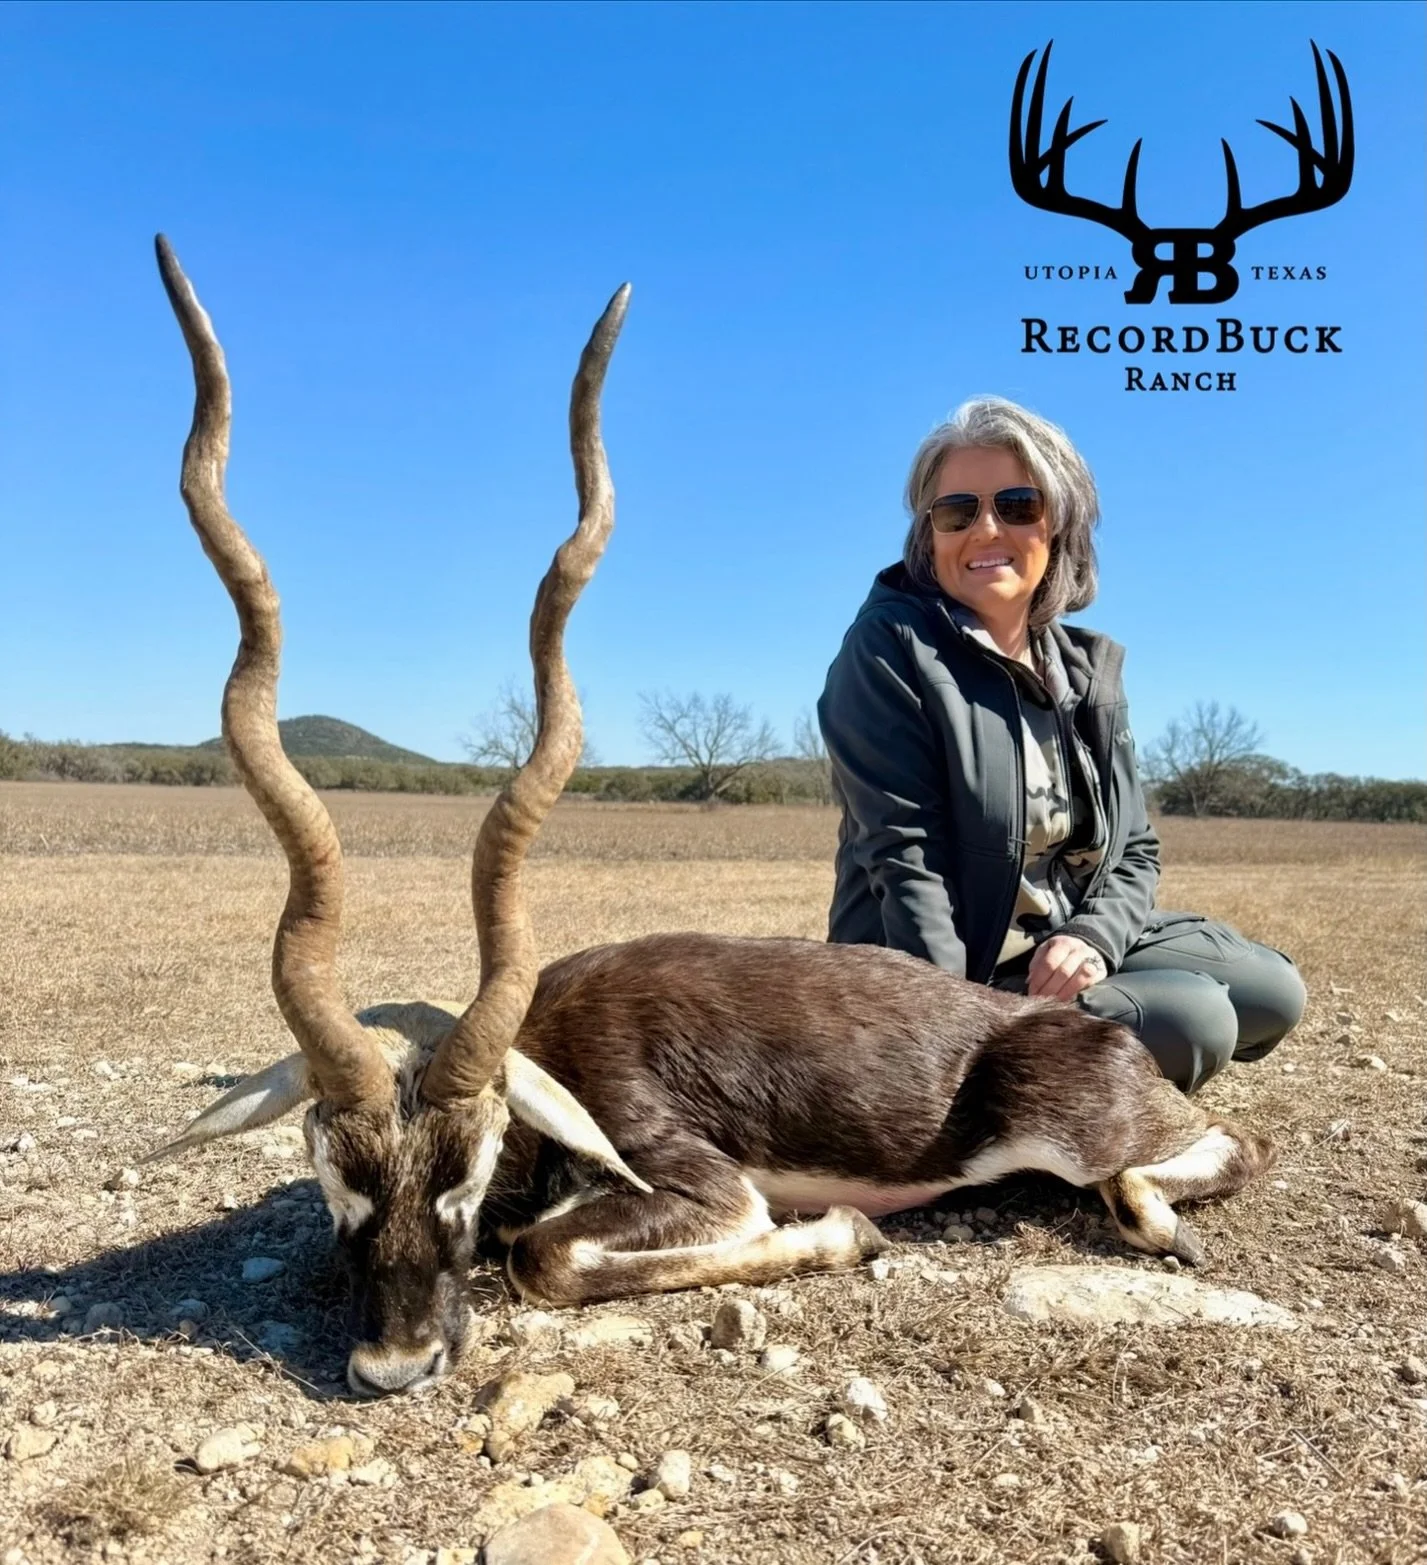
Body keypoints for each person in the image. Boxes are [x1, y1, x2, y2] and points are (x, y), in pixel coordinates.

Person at [817, 396, 1305, 1095]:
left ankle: (1071, 1054)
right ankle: (1013, 1098)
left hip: (1057, 943)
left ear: (1062, 523)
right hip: (945, 978)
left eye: (1018, 505)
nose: (986, 528)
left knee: (1271, 992)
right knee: (1195, 1021)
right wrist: (950, 1037)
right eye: (956, 511)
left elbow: (1135, 848)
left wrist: (1092, 940)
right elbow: (906, 860)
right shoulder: (889, 650)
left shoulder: (1083, 670)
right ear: (929, 536)